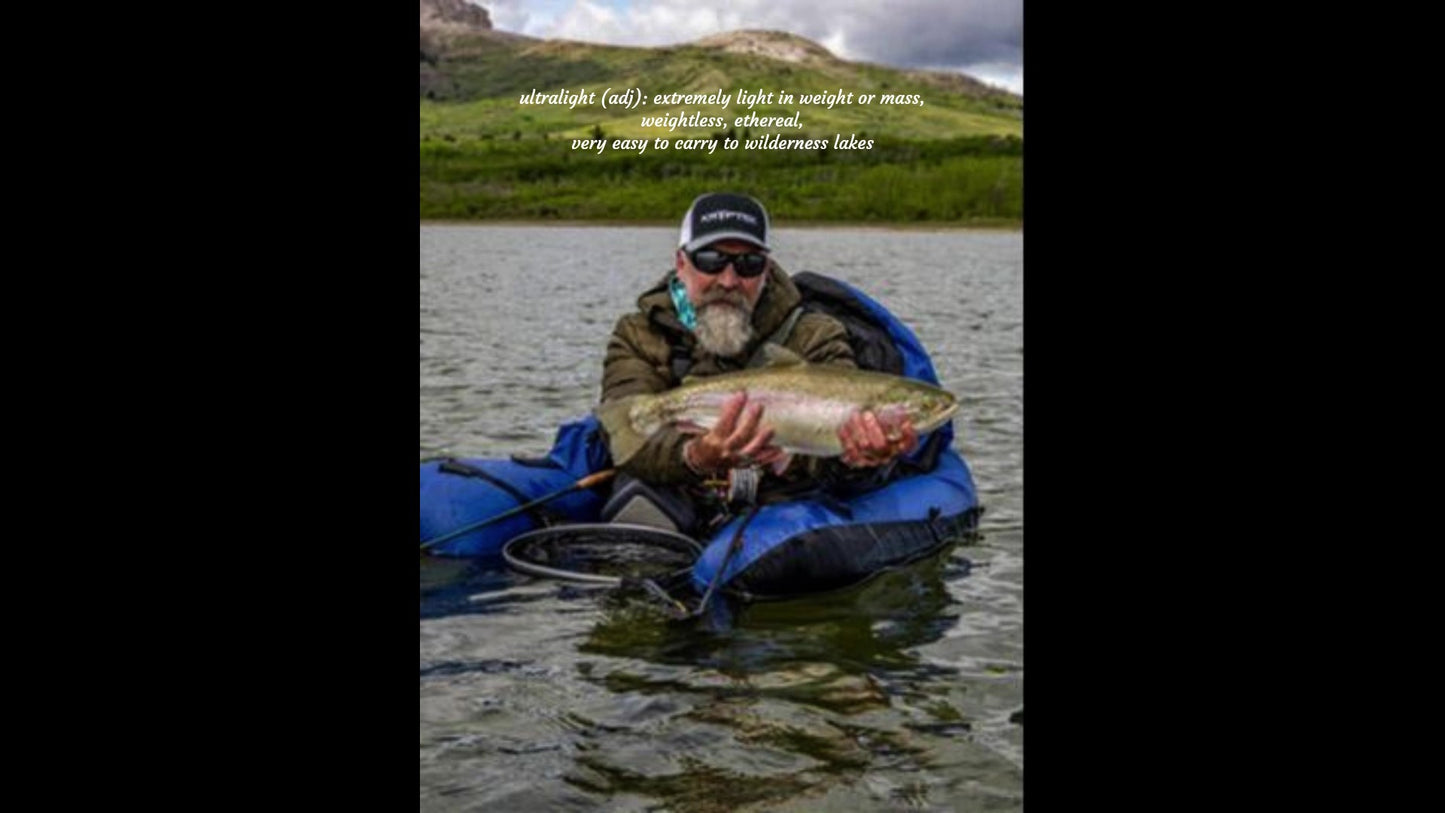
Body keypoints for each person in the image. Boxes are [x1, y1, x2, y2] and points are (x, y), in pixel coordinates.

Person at [598, 193, 916, 531]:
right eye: (710, 259)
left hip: (778, 511)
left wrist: (854, 455)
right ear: (681, 262)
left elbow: (828, 449)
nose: (728, 280)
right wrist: (696, 455)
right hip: (678, 494)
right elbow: (624, 433)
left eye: (748, 263)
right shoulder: (638, 333)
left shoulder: (816, 335)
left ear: (766, 268)